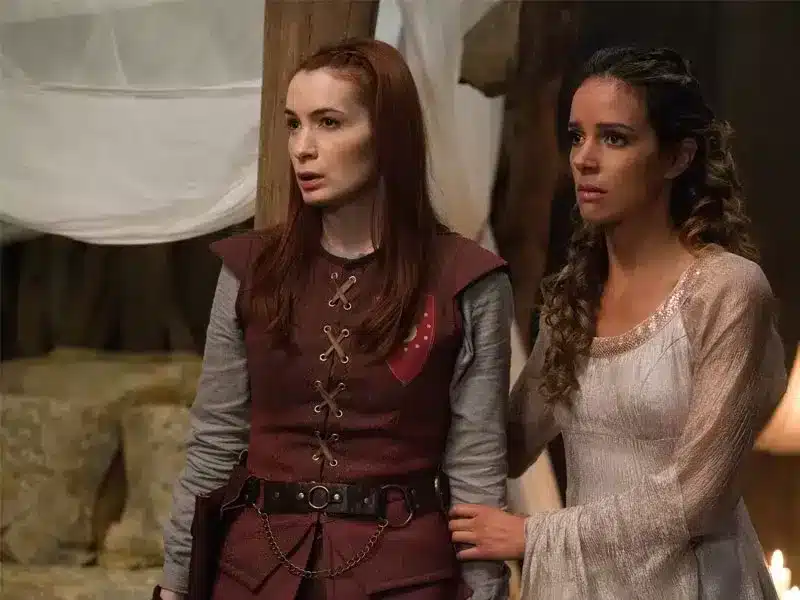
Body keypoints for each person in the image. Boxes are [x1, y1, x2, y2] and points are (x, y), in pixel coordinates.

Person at [154, 38, 512, 600]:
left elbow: (477, 474)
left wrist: (485, 594)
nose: (303, 148)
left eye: (329, 123)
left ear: (387, 135)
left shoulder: (467, 280)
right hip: (254, 573)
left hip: (403, 577)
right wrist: (175, 586)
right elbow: (213, 444)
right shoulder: (249, 270)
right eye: (293, 124)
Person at [448, 46, 787, 599]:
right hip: (583, 587)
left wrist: (534, 535)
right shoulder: (576, 295)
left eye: (614, 138)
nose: (584, 158)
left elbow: (698, 496)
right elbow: (509, 441)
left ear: (677, 157)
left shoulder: (726, 289)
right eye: (576, 136)